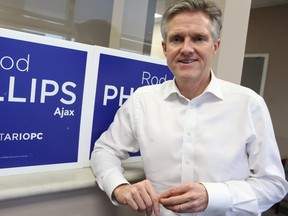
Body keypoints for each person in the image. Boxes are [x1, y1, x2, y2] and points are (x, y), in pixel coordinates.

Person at [91, 0, 288, 215]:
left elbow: (273, 184)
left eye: (199, 38)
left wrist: (213, 196)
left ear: (215, 46)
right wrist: (118, 187)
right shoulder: (142, 102)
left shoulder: (249, 104)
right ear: (165, 48)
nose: (186, 49)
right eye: (177, 39)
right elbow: (105, 150)